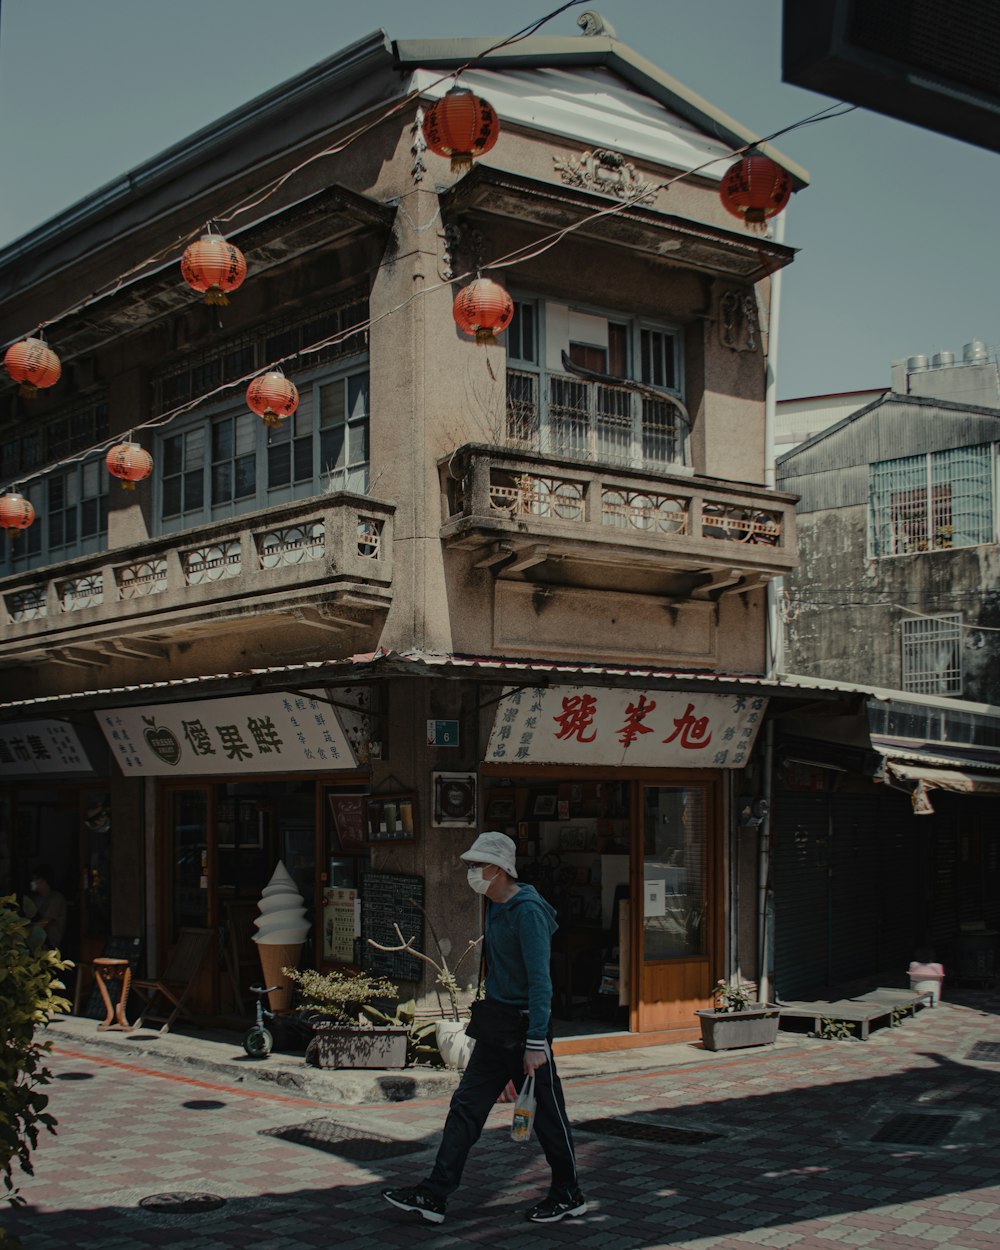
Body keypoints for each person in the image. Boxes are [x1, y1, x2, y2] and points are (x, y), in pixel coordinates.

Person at [383, 830, 585, 1226]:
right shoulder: (493, 904)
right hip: (497, 1027)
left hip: (526, 1029)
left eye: (477, 866)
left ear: (497, 869)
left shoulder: (527, 911)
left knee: (548, 1115)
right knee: (466, 1108)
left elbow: (541, 982)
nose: (471, 872)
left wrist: (536, 1043)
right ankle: (434, 1193)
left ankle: (568, 1193)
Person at [29, 865, 67, 950]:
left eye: (35, 879)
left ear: (43, 881)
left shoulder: (56, 898)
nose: (32, 882)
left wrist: (25, 932)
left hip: (50, 946)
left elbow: (45, 921)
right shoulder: (36, 899)